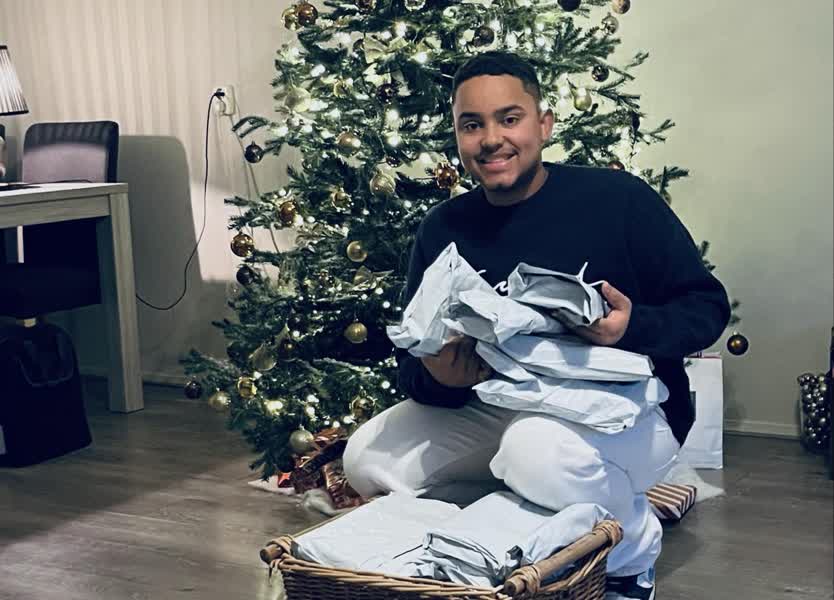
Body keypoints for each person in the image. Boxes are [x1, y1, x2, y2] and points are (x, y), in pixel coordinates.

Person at [343, 51, 731, 600]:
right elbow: (413, 361)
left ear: (543, 125)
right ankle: (501, 534)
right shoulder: (444, 226)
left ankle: (631, 548)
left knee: (535, 452)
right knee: (366, 458)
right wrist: (440, 379)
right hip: (498, 403)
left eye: (509, 118)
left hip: (629, 410)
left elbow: (707, 309)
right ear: (457, 136)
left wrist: (630, 327)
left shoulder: (619, 200)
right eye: (471, 125)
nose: (491, 140)